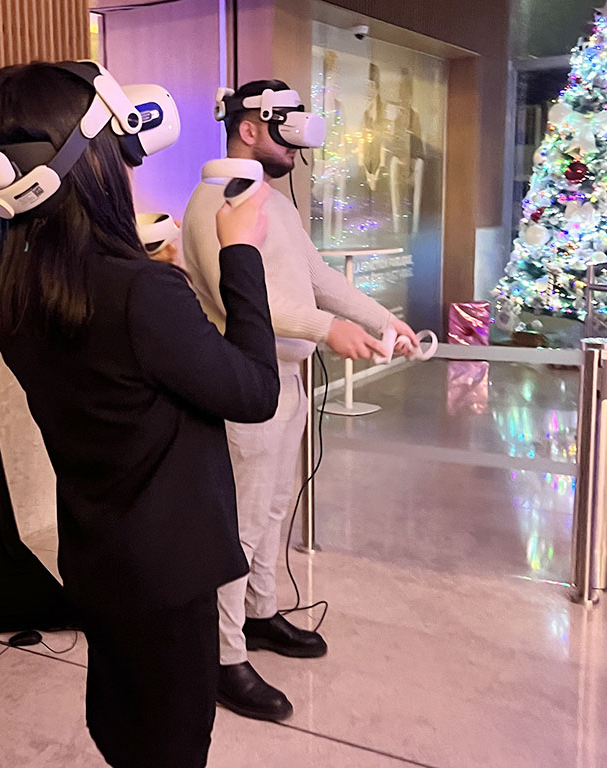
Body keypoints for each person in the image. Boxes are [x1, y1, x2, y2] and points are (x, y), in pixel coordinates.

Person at [0, 62, 279, 768]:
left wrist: (150, 272)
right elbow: (256, 392)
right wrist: (240, 254)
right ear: (93, 165)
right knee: (171, 743)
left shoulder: (13, 291)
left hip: (98, 558)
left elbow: (113, 362)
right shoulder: (142, 295)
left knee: (123, 723)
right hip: (168, 573)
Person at [182, 78, 418, 723]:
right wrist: (327, 329)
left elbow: (317, 278)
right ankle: (223, 655)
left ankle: (260, 614)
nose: (296, 145)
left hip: (285, 378)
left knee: (274, 507)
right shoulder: (213, 203)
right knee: (239, 523)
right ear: (248, 128)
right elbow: (242, 300)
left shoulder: (271, 203)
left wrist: (382, 320)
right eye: (283, 128)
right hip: (243, 385)